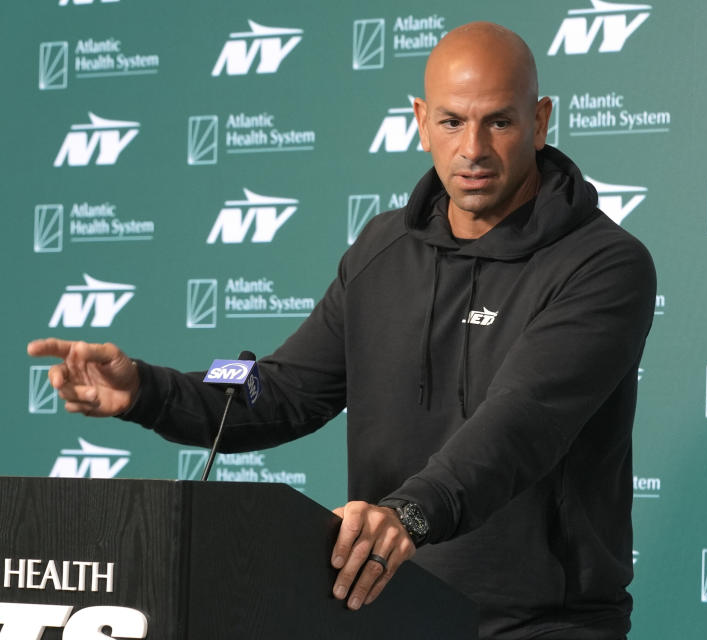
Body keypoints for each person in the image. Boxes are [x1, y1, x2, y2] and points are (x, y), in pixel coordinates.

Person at [28, 22, 656, 640]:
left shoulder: (603, 264)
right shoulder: (383, 250)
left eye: (499, 121)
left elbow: (520, 423)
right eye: (451, 121)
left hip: (543, 624)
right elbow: (277, 390)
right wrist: (145, 390)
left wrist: (406, 514)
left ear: (541, 120)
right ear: (419, 121)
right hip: (389, 605)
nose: (473, 149)